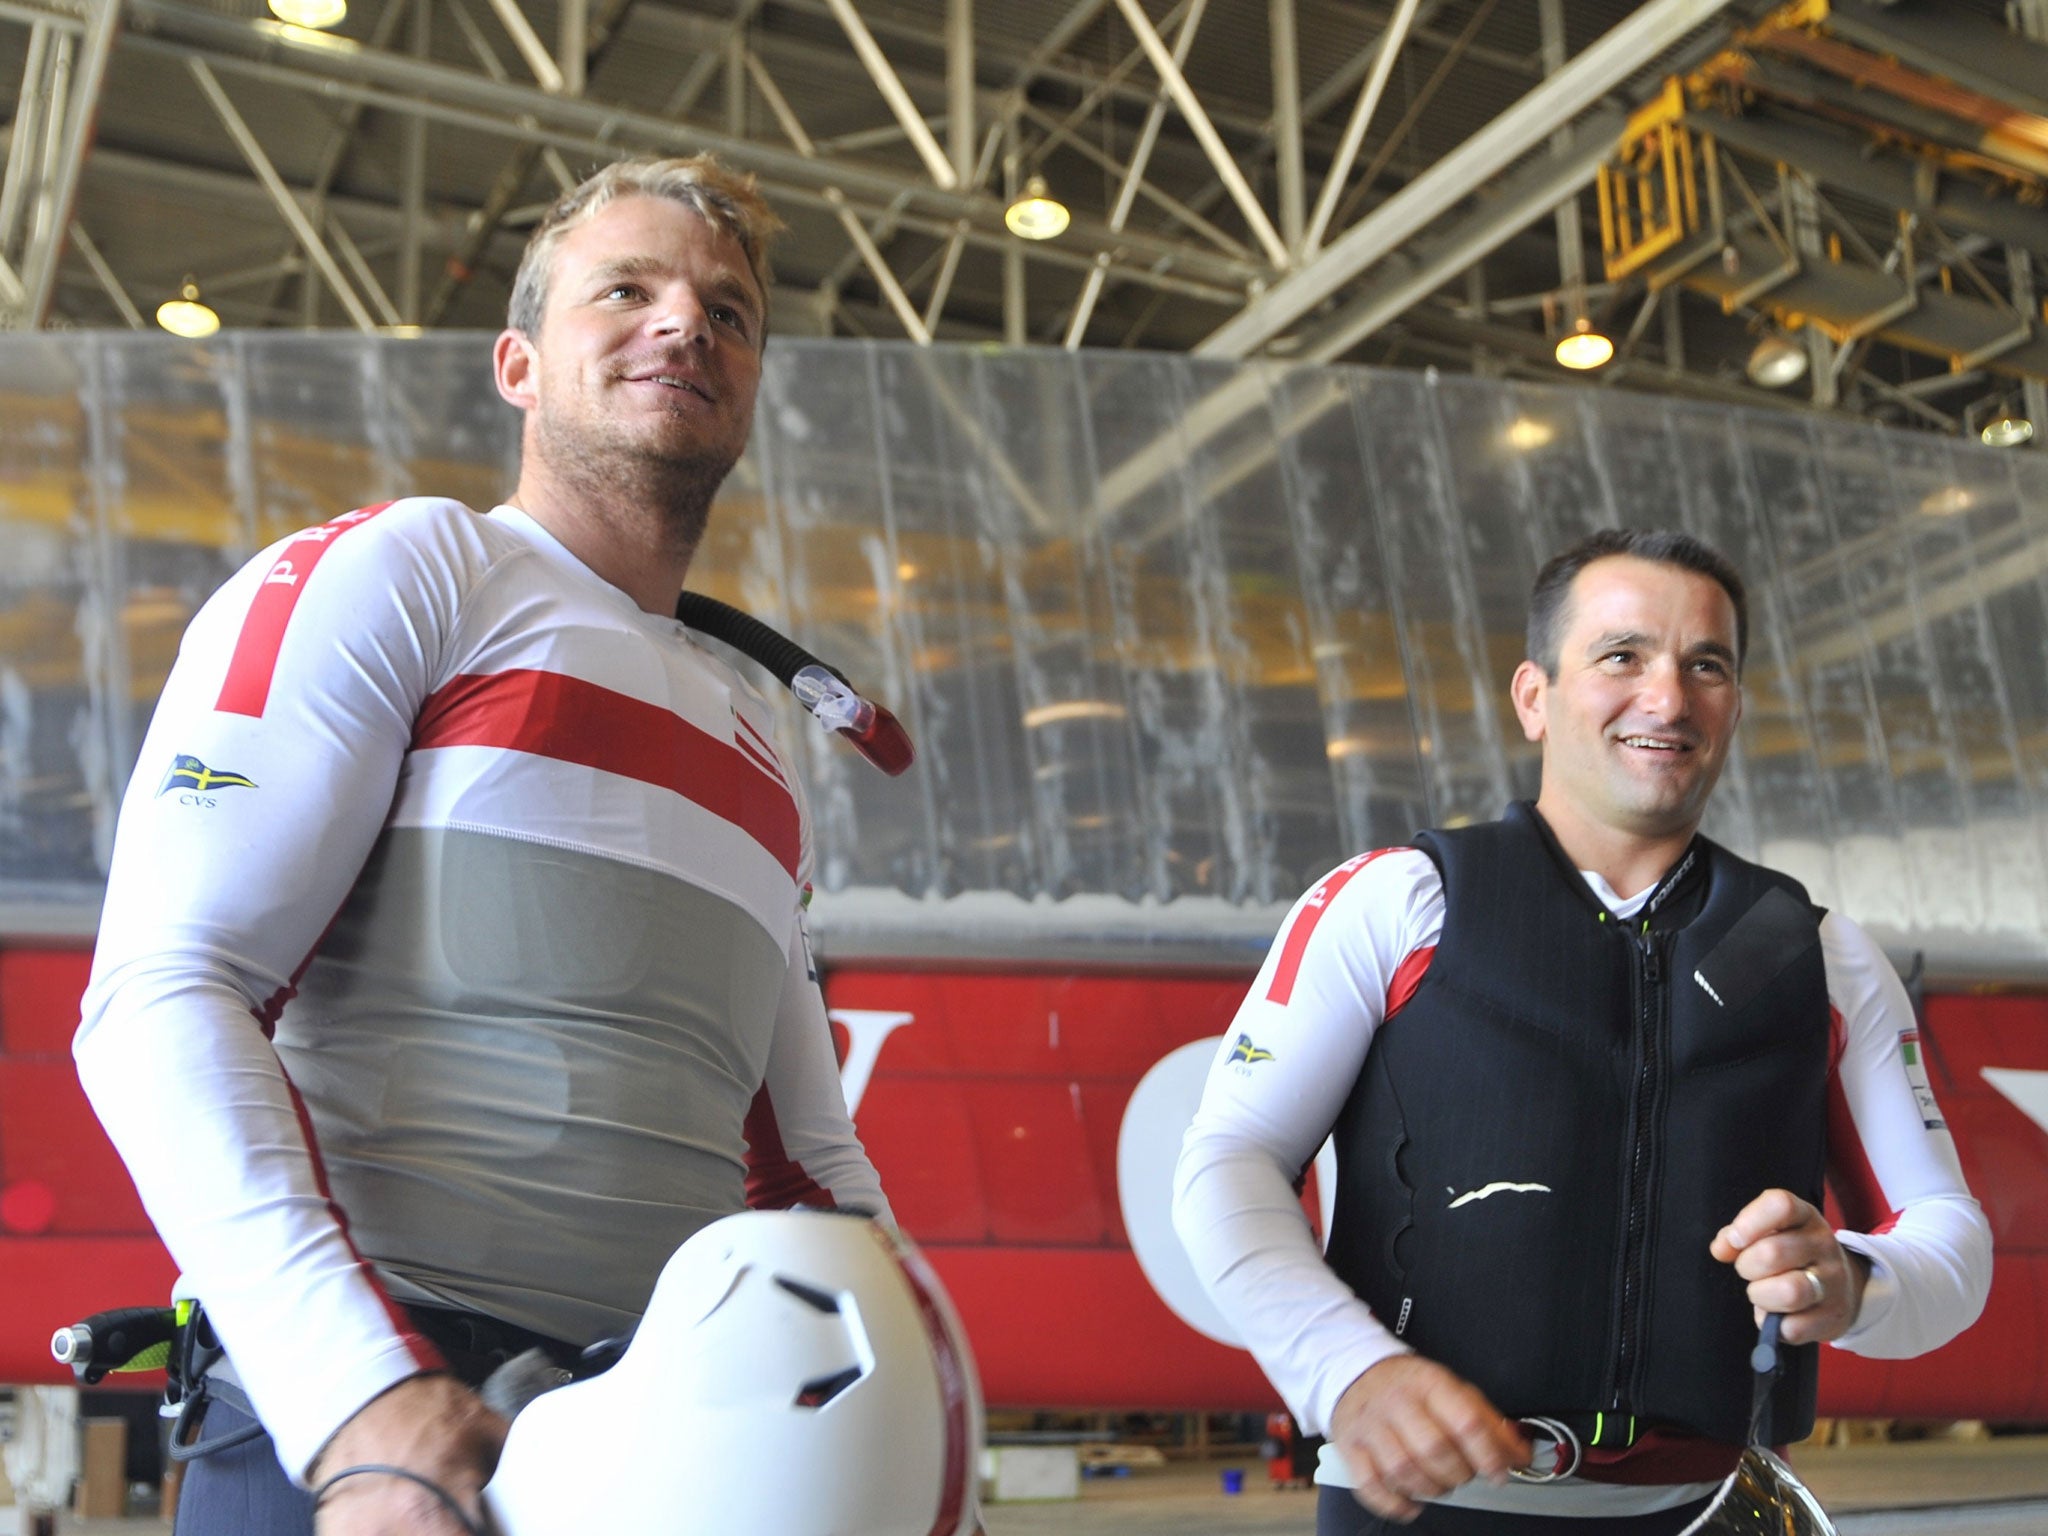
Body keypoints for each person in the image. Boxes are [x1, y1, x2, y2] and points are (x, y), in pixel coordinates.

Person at [74, 156, 891, 1536]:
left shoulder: (764, 742)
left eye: (728, 311)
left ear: (746, 388)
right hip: (371, 1424)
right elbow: (162, 989)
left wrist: (911, 1416)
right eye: (625, 289)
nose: (685, 324)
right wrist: (355, 1398)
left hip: (671, 1435)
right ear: (518, 361)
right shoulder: (404, 573)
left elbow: (807, 1160)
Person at [1172, 529, 1993, 1535]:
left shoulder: (1816, 955)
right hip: (1421, 1508)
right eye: (1621, 656)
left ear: (1733, 703)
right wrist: (1346, 1370)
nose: (1666, 698)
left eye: (1705, 666)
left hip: (1710, 1510)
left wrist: (1856, 1281)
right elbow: (1227, 1158)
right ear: (1533, 696)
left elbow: (1949, 1238)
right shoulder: (1394, 904)